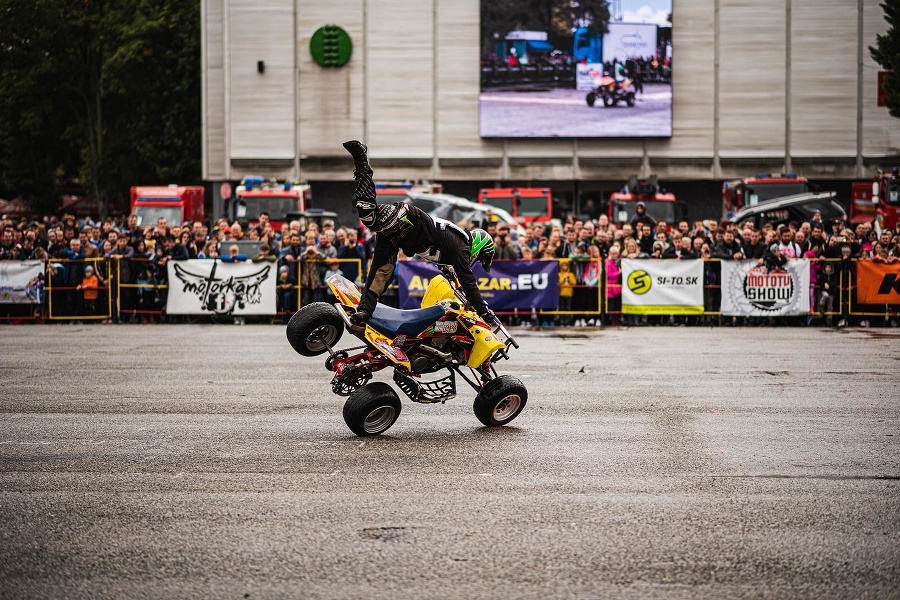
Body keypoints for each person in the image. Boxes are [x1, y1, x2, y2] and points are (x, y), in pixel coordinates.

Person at [342, 140, 498, 328]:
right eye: (481, 258)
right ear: (480, 247)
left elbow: (456, 279)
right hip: (408, 220)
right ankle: (361, 160)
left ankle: (364, 312)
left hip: (399, 237)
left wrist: (470, 304)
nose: (476, 262)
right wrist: (484, 312)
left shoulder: (454, 249)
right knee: (368, 215)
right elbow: (469, 283)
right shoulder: (461, 247)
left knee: (382, 273)